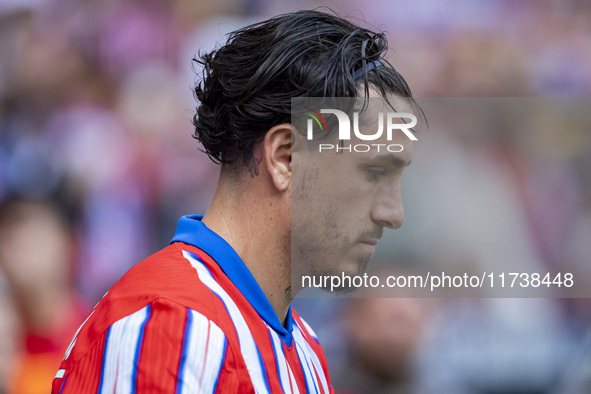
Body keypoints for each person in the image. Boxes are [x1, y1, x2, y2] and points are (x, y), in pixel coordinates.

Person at [51, 9, 416, 393]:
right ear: (286, 158)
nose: (394, 213)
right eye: (373, 173)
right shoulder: (174, 327)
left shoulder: (305, 348)